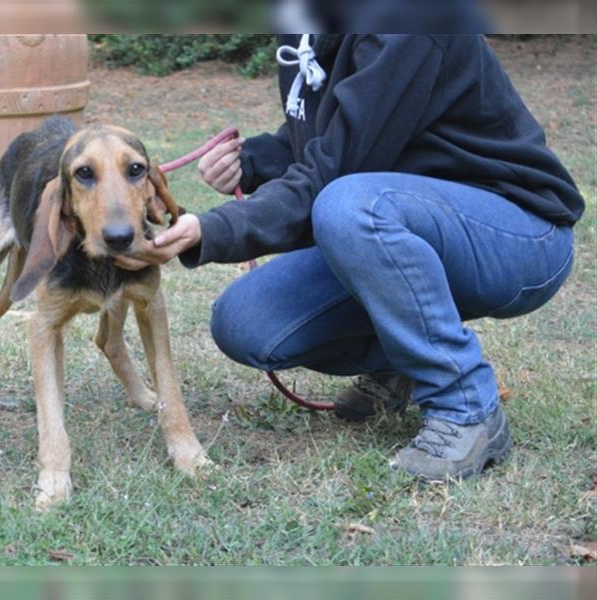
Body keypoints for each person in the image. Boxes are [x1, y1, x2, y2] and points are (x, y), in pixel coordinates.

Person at [115, 34, 584, 481]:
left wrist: (215, 229)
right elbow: (333, 135)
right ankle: (402, 362)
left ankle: (466, 407)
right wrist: (255, 160)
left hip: (519, 232)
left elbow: (338, 172)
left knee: (349, 207)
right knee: (245, 322)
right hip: (403, 214)